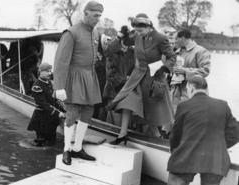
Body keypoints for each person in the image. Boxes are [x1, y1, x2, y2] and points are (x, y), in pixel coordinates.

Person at [108, 13, 176, 144]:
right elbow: (123, 43)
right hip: (136, 77)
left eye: (141, 30)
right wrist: (121, 35)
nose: (139, 33)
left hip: (153, 78)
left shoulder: (161, 38)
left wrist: (163, 67)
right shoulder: (137, 36)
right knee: (126, 101)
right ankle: (122, 134)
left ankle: (158, 138)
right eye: (136, 31)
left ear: (149, 26)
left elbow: (172, 57)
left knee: (150, 112)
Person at [167, 75, 239, 185]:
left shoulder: (184, 106)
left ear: (191, 88)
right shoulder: (223, 106)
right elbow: (235, 133)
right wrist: (218, 145)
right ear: (207, 89)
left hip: (185, 156)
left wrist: (174, 150)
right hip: (214, 160)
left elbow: (175, 136)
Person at [53, 1, 104, 165]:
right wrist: (59, 87)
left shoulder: (95, 33)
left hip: (90, 77)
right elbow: (61, 62)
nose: (98, 19)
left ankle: (77, 148)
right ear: (86, 13)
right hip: (74, 78)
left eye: (99, 16)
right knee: (72, 114)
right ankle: (66, 149)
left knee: (88, 111)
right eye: (95, 15)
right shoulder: (71, 32)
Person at [171, 29, 211, 112]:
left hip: (193, 91)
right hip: (176, 92)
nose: (174, 41)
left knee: (191, 117)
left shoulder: (201, 51)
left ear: (182, 38)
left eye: (175, 38)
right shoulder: (177, 51)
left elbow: (205, 70)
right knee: (175, 118)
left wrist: (185, 71)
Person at [27, 63, 65, 147]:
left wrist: (64, 109)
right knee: (41, 142)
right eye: (47, 71)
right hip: (42, 118)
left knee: (52, 140)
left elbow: (55, 99)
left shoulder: (50, 84)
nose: (50, 73)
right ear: (40, 72)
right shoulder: (37, 86)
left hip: (51, 118)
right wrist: (58, 113)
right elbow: (43, 104)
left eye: (50, 71)